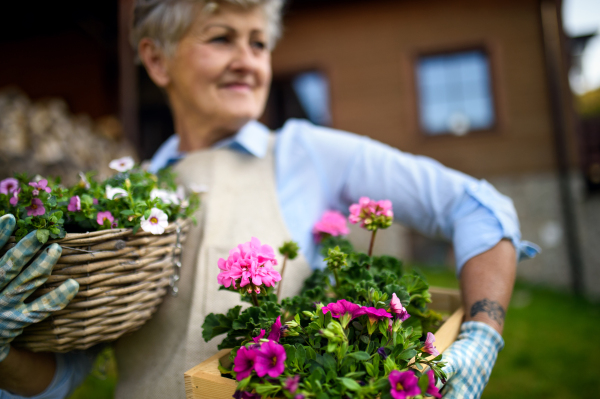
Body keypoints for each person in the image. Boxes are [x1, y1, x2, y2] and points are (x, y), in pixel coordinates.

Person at [0, 0, 539, 398]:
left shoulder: (307, 151)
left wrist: (481, 338)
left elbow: (476, 206)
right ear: (157, 60)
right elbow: (59, 380)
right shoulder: (124, 204)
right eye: (220, 38)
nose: (247, 60)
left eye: (258, 42)